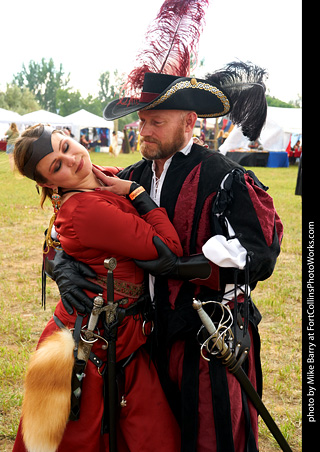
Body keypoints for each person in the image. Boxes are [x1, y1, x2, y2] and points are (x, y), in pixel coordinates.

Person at [49, 63, 283, 452]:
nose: (143, 131)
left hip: (210, 337)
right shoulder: (130, 175)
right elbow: (72, 228)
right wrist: (64, 269)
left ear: (189, 122)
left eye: (156, 122)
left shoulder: (223, 177)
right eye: (142, 121)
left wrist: (180, 267)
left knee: (211, 438)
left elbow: (259, 255)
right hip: (144, 338)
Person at [12, 124, 182, 452]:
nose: (72, 159)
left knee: (151, 435)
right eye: (57, 165)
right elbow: (168, 250)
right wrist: (136, 193)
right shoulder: (86, 210)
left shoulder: (100, 175)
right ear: (48, 183)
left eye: (66, 145)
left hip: (124, 337)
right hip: (94, 345)